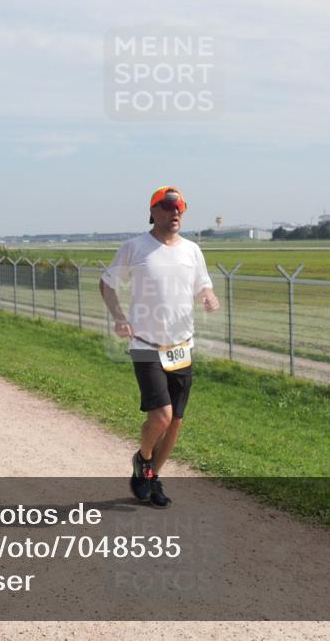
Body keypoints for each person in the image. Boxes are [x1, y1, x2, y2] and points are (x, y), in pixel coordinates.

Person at [100, 186, 219, 508]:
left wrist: (208, 294)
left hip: (182, 345)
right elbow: (107, 284)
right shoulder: (135, 248)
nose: (175, 212)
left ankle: (151, 476)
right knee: (162, 416)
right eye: (167, 207)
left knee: (176, 420)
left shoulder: (192, 250)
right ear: (153, 212)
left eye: (179, 207)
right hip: (144, 343)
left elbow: (202, 283)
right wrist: (119, 317)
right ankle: (143, 457)